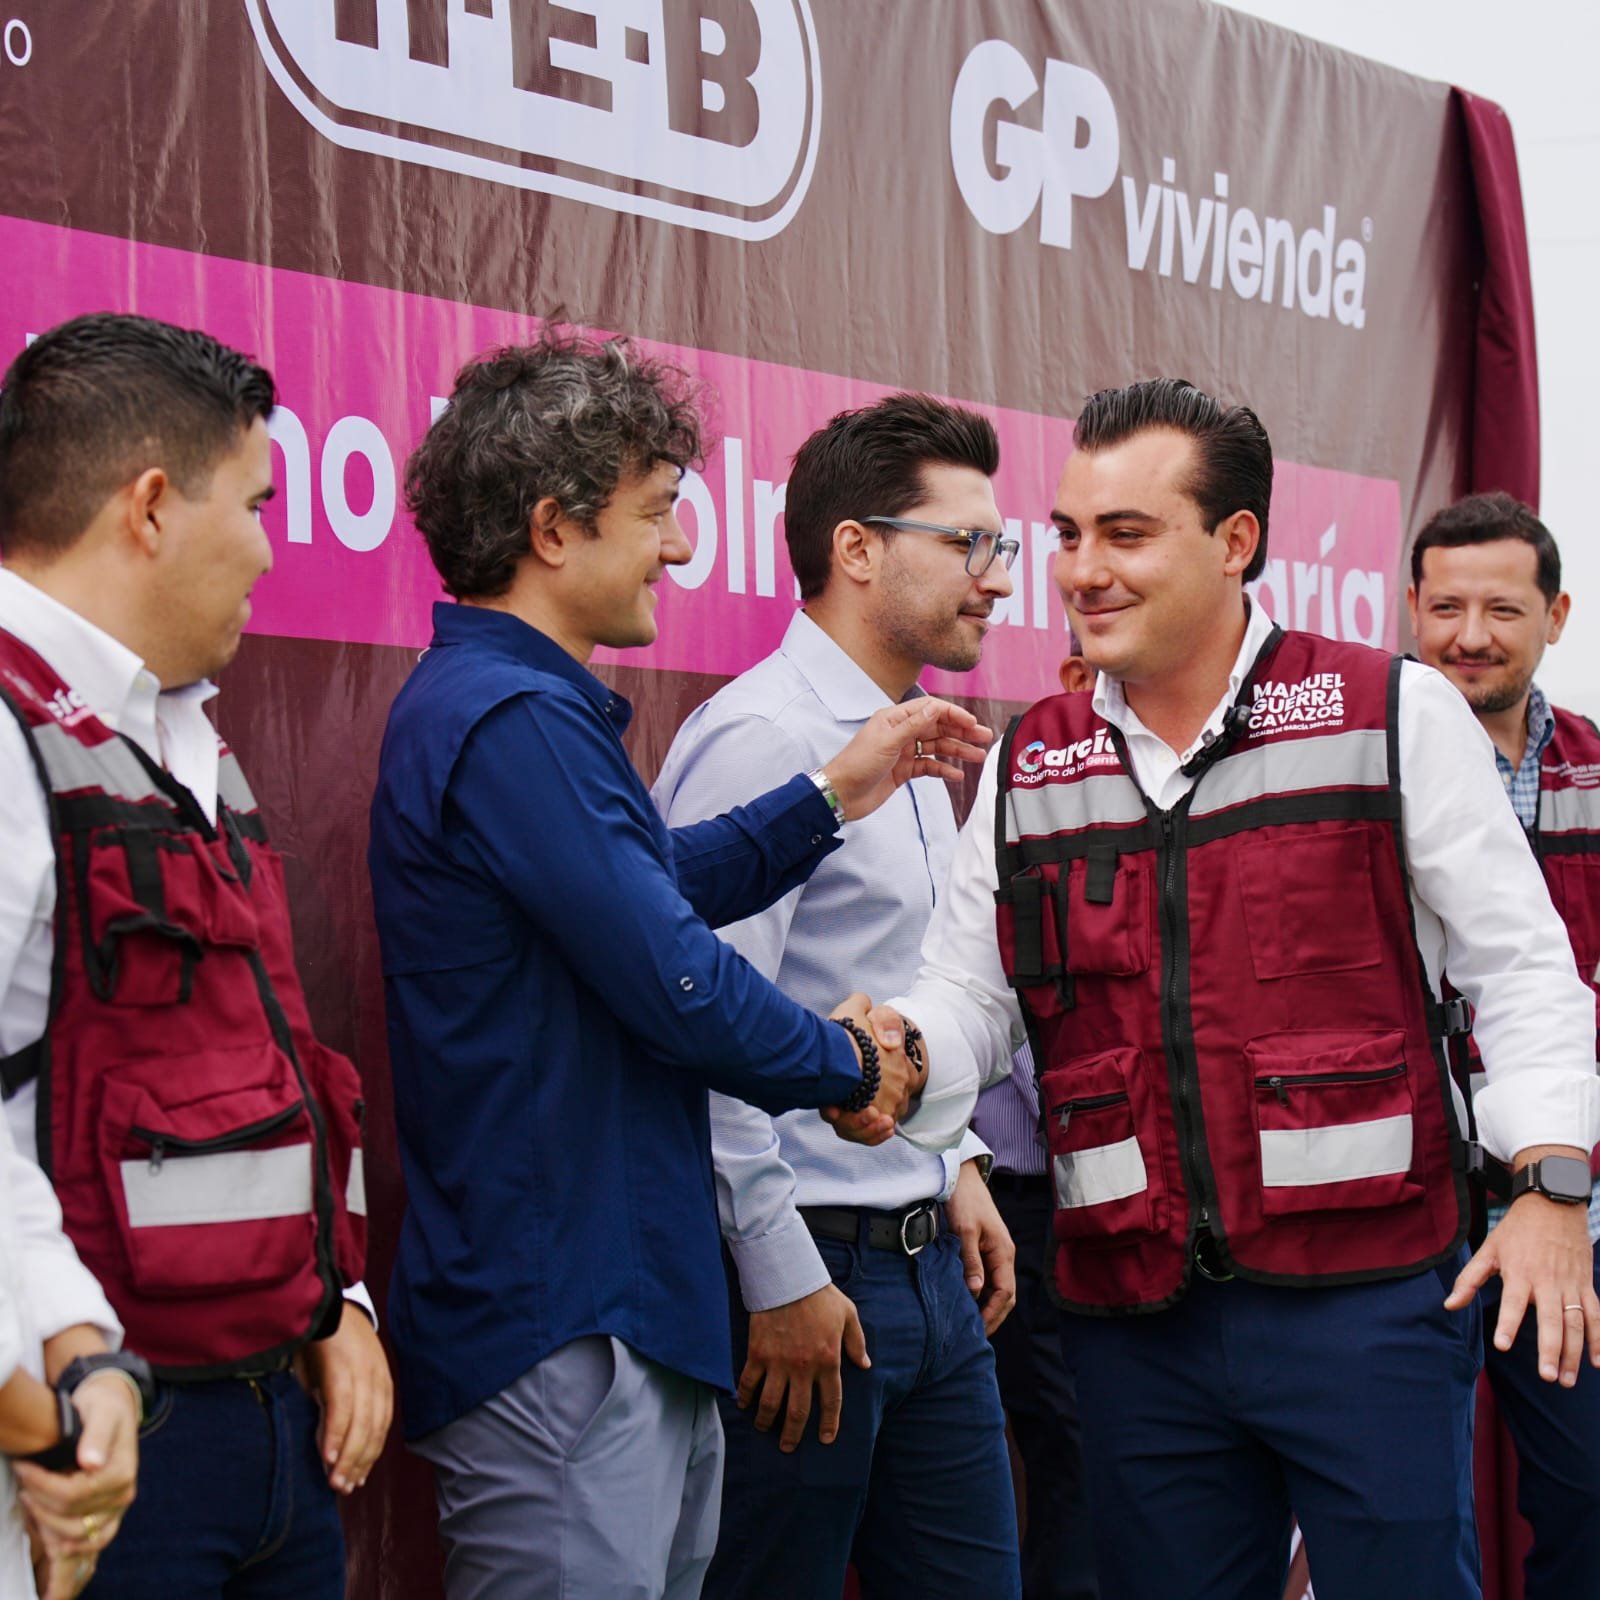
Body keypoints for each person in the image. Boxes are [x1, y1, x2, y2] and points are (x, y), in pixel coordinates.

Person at [881, 378, 1600, 1600]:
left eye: (1125, 534)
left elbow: (1521, 969)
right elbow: (969, 999)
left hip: (1369, 1300)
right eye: (1068, 534)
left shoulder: (1389, 710)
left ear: (1235, 541)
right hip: (1131, 1320)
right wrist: (894, 1050)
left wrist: (1549, 1186)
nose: (1081, 571)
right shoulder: (1030, 759)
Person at [368, 333, 990, 1600]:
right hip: (561, 1311)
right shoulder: (507, 716)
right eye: (656, 511)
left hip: (621, 1306)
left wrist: (829, 795)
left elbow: (654, 888)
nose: (684, 546)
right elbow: (676, 975)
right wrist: (855, 1065)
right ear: (553, 528)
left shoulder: (530, 711)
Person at [0, 312, 392, 1599]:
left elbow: (272, 1047)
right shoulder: (11, 732)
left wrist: (335, 1302)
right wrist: (57, 1376)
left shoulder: (182, 731)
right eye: (258, 504)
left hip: (270, 1417)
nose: (273, 550)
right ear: (153, 505)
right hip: (93, 1435)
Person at [653, 393, 1022, 1599]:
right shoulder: (765, 737)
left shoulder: (912, 734)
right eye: (967, 542)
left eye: (1001, 545)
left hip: (929, 1275)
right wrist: (777, 1273)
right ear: (855, 548)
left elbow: (906, 989)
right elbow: (699, 1024)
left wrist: (955, 1162)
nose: (996, 577)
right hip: (807, 1280)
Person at [1408, 491, 1600, 1600]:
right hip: (1406, 1213)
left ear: (1556, 616)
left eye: (1502, 609)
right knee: (1402, 1515)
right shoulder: (1359, 766)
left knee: (1586, 1495)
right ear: (1412, 608)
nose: (1469, 635)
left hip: (1566, 1216)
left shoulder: (1594, 770)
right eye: (1446, 607)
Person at [974, 643, 1101, 1600]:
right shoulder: (1027, 785)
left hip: (1108, 1197)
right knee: (1071, 1450)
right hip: (1021, 1200)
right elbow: (1013, 1006)